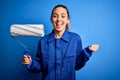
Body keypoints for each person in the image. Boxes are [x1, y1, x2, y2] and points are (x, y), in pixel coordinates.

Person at [22, 4, 99, 80]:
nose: (59, 19)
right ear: (51, 19)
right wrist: (30, 63)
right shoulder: (43, 41)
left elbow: (77, 65)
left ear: (68, 19)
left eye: (63, 16)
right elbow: (39, 65)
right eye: (55, 16)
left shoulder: (75, 39)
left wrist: (87, 51)